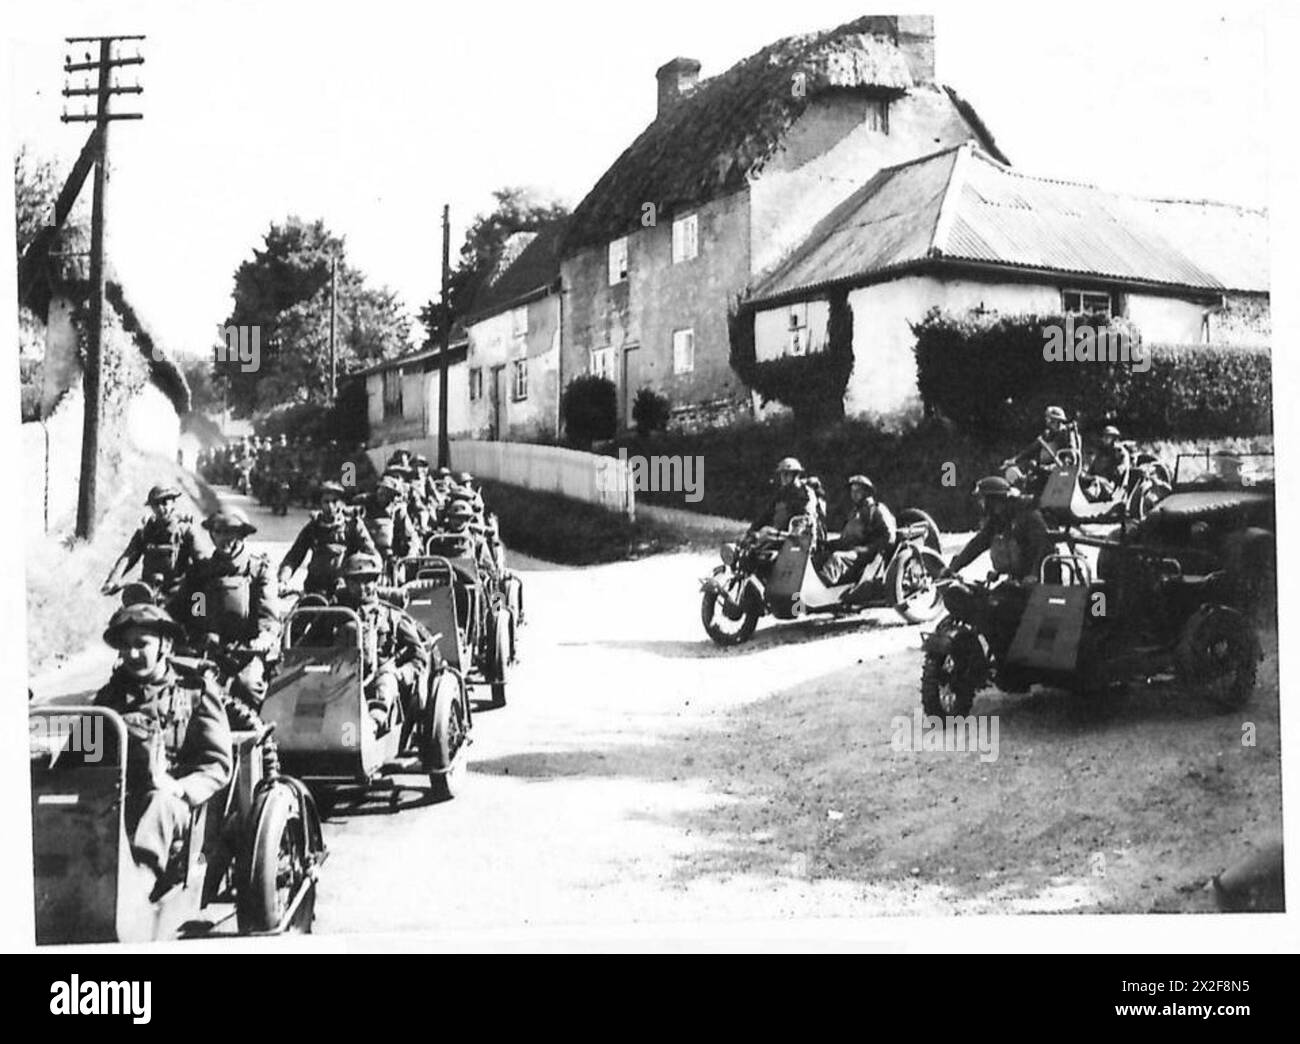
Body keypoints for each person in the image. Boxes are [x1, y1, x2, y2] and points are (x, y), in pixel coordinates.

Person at [94, 604, 232, 894]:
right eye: (125, 646)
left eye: (141, 644)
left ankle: (138, 889)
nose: (131, 654)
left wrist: (180, 788)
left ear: (165, 645)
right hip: (121, 799)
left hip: (177, 806)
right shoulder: (110, 696)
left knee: (160, 803)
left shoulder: (195, 692)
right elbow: (77, 757)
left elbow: (217, 765)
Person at [170, 508, 281, 710]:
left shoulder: (258, 570)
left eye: (230, 531)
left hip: (247, 651)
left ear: (242, 534)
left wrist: (264, 638)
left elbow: (268, 617)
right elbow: (192, 611)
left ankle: (257, 733)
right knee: (181, 688)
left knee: (247, 687)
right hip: (208, 650)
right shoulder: (201, 572)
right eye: (218, 531)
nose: (224, 538)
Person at [333, 553, 429, 735]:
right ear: (347, 583)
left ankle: (374, 726)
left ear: (376, 582)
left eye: (367, 581)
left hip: (378, 679)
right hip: (338, 679)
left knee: (386, 681)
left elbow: (420, 657)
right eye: (355, 581)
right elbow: (305, 647)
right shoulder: (334, 614)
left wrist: (400, 674)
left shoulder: (392, 616)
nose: (362, 587)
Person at [278, 481, 378, 597]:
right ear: (320, 503)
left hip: (344, 589)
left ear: (341, 503)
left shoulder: (353, 526)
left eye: (334, 501)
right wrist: (282, 580)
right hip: (314, 588)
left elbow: (370, 552)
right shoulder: (313, 527)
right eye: (326, 501)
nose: (330, 506)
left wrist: (367, 581)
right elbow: (294, 557)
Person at [102, 485, 204, 597]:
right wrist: (112, 581)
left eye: (165, 502)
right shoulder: (145, 532)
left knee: (197, 608)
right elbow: (128, 557)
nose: (160, 508)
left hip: (176, 593)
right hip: (147, 591)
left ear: (173, 502)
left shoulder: (185, 531)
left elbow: (201, 559)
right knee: (123, 613)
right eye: (155, 504)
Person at [817, 475, 897, 588]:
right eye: (852, 490)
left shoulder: (877, 510)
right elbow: (848, 538)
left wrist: (867, 549)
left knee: (837, 558)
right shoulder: (855, 512)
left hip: (867, 556)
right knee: (820, 557)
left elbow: (890, 538)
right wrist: (828, 544)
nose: (853, 494)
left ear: (866, 492)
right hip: (852, 550)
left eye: (858, 491)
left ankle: (819, 591)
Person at [1005, 405, 1077, 494]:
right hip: (1044, 469)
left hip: (1060, 470)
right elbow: (1031, 449)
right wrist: (1015, 459)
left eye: (1050, 419)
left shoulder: (1067, 434)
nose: (1048, 422)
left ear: (1057, 420)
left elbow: (1071, 457)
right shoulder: (1048, 434)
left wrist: (1054, 467)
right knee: (1030, 469)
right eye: (1048, 419)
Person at [748, 457, 819, 536]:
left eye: (786, 474)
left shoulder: (806, 493)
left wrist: (790, 533)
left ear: (795, 475)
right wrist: (752, 530)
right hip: (781, 536)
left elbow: (807, 517)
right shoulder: (781, 493)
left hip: (801, 539)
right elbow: (766, 514)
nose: (783, 477)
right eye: (781, 474)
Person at [358, 475, 416, 565]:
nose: (383, 496)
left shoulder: (397, 511)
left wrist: (410, 554)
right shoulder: (365, 506)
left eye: (388, 493)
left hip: (390, 558)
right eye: (381, 492)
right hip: (366, 557)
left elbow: (410, 536)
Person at [1082, 425, 1131, 502]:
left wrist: (1099, 476)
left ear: (1114, 438)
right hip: (1099, 483)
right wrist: (1086, 476)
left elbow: (1119, 473)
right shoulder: (1102, 453)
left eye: (1107, 437)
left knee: (1096, 481)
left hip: (1111, 487)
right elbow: (1092, 469)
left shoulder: (1121, 453)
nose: (1104, 439)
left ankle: (1089, 495)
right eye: (1104, 437)